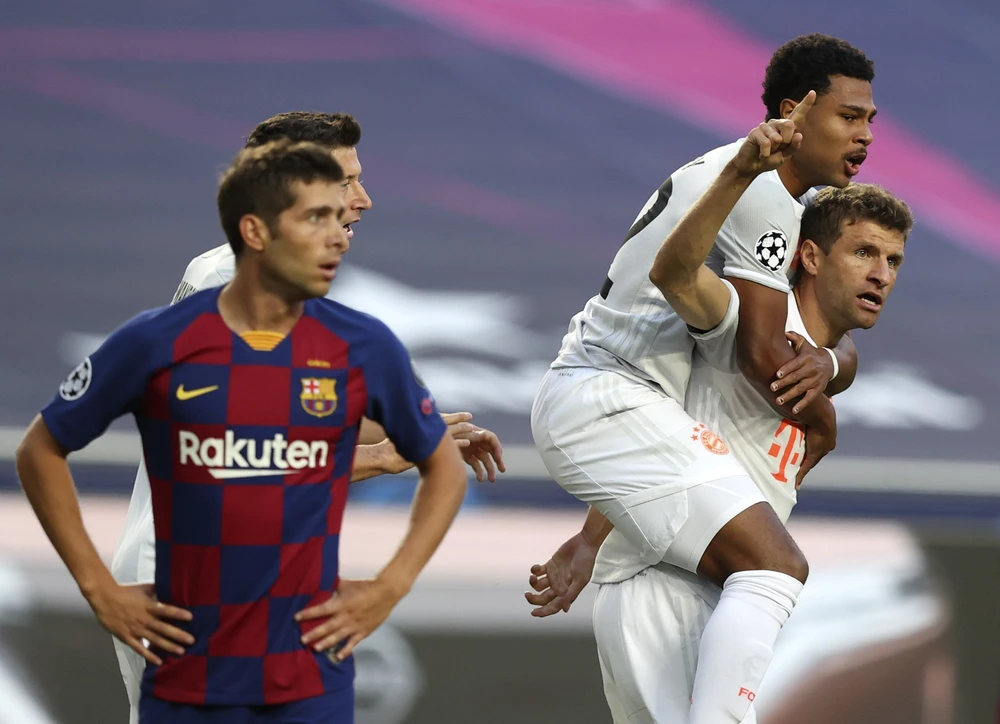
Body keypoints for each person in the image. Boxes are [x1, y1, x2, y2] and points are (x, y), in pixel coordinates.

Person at [16, 141, 468, 723]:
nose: (360, 201)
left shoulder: (325, 321)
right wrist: (380, 458)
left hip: (274, 590)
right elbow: (248, 455)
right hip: (185, 578)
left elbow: (290, 419)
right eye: (340, 186)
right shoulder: (215, 295)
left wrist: (409, 434)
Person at [529, 34, 876, 722]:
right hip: (609, 397)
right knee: (776, 565)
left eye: (870, 120)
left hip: (618, 405)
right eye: (848, 116)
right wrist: (823, 414)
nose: (865, 135)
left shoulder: (742, 178)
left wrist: (835, 365)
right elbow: (761, 355)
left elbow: (785, 346)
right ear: (794, 112)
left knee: (762, 566)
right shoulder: (764, 192)